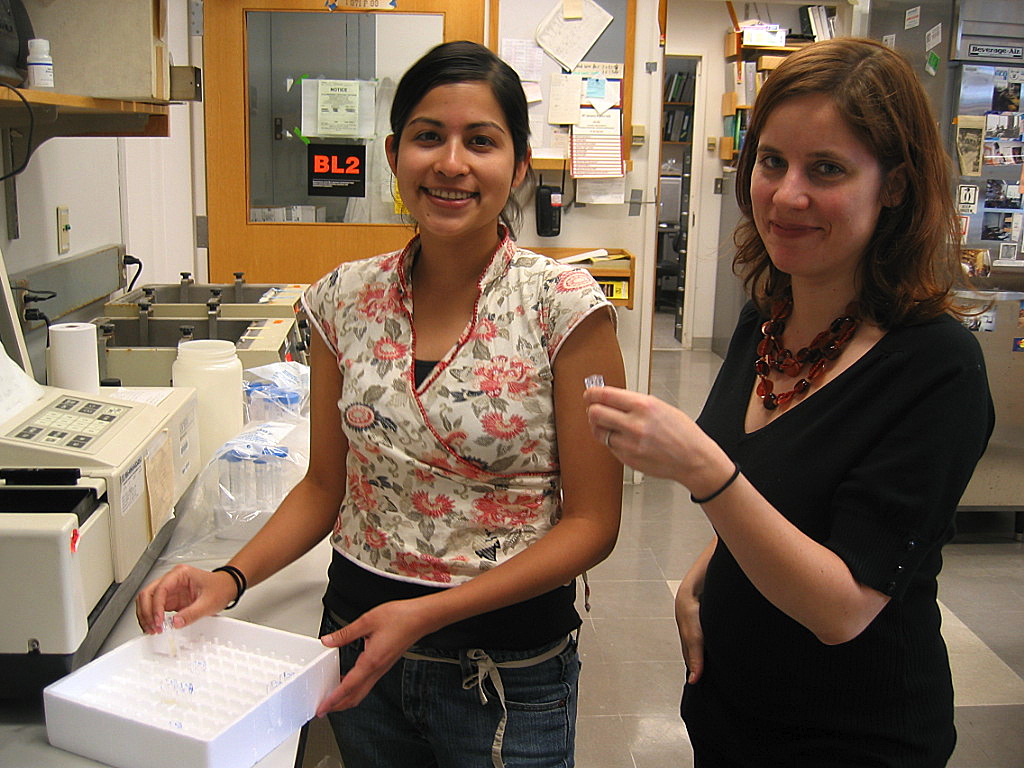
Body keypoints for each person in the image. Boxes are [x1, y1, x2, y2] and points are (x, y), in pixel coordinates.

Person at [137, 40, 625, 767]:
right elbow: (324, 486)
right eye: (428, 137)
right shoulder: (342, 299)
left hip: (505, 672)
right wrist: (228, 578)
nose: (451, 163)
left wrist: (426, 615)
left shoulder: (565, 307)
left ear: (519, 164)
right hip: (361, 649)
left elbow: (593, 524)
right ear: (394, 154)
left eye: (481, 141)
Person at [584, 38, 993, 767]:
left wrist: (704, 471)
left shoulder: (936, 366)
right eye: (771, 161)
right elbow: (785, 493)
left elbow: (844, 608)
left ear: (895, 186)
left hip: (853, 735)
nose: (787, 195)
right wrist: (705, 571)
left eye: (827, 169)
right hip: (731, 711)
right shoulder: (767, 317)